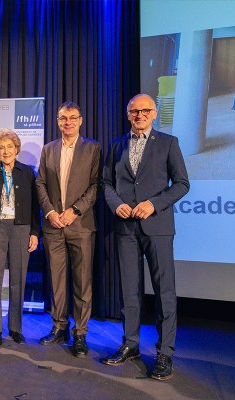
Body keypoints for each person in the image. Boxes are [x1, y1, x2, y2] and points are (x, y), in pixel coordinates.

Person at [101, 94, 189, 380]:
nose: (139, 115)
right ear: (128, 114)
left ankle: (165, 353)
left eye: (145, 110)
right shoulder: (116, 145)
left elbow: (182, 184)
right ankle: (131, 344)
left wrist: (154, 204)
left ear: (154, 113)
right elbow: (106, 183)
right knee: (129, 290)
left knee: (164, 291)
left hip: (157, 226)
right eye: (134, 111)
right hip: (125, 227)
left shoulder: (168, 143)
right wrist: (116, 204)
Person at [35, 101, 101, 358]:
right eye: (63, 118)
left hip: (80, 225)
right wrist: (50, 212)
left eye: (73, 117)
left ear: (80, 120)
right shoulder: (48, 149)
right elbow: (40, 183)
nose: (68, 122)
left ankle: (80, 333)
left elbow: (96, 185)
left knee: (82, 282)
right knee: (57, 280)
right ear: (58, 121)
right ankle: (59, 327)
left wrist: (75, 211)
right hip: (53, 226)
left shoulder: (92, 148)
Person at [0, 128, 41, 348]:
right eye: (1, 148)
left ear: (17, 149)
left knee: (18, 280)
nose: (6, 151)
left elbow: (35, 206)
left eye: (10, 147)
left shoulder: (27, 172)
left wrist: (35, 232)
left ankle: (16, 328)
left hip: (21, 228)